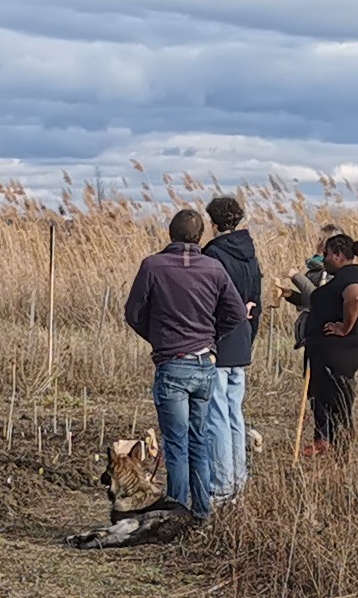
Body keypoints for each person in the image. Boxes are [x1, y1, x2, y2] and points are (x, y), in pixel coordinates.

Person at [124, 209, 247, 521]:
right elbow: (235, 312)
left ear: (170, 233)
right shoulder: (214, 268)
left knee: (176, 443)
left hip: (172, 365)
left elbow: (133, 312)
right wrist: (211, 338)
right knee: (199, 440)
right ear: (200, 236)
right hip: (205, 363)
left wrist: (157, 337)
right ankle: (202, 512)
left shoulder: (153, 266)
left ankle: (175, 514)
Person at [200, 197, 262, 502]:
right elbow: (257, 299)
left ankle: (222, 484)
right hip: (241, 339)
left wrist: (209, 339)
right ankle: (240, 479)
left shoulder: (212, 254)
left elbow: (209, 300)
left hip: (219, 339)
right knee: (235, 412)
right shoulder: (249, 252)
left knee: (216, 414)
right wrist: (250, 335)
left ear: (213, 223)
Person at [301, 234, 358, 458]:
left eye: (327, 255)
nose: (324, 259)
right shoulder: (342, 275)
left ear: (338, 255)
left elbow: (356, 298)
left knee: (338, 398)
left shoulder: (349, 275)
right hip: (327, 350)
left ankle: (340, 449)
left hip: (340, 349)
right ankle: (324, 441)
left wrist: (344, 327)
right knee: (324, 395)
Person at [279, 224, 345, 352]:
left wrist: (296, 276)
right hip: (312, 336)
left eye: (321, 240)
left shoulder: (333, 273)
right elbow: (309, 301)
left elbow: (319, 300)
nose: (317, 243)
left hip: (325, 337)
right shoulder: (315, 270)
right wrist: (290, 295)